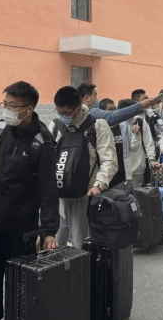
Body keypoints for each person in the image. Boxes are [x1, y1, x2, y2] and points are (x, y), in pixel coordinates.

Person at [0, 81, 60, 320]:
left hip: (21, 229)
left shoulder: (42, 142)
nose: (7, 110)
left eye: (13, 106)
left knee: (19, 285)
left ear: (28, 109)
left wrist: (49, 230)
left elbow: (49, 189)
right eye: (5, 104)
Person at [49, 86, 118, 248]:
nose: (62, 116)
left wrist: (98, 185)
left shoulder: (97, 126)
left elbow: (110, 161)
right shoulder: (54, 126)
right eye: (59, 112)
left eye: (66, 113)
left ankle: (83, 264)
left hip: (85, 195)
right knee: (55, 243)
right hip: (58, 195)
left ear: (78, 108)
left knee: (80, 244)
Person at [120, 99, 158, 187]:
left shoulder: (140, 122)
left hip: (138, 168)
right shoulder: (117, 124)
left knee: (138, 192)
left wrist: (151, 159)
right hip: (122, 169)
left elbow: (149, 143)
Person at [132, 88, 163, 158]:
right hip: (135, 156)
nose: (148, 101)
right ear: (136, 102)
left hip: (152, 155)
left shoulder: (154, 116)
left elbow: (162, 133)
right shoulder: (130, 118)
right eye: (144, 99)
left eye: (148, 98)